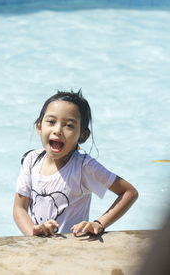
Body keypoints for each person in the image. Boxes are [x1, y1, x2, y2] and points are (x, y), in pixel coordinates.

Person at [13, 90, 138, 236]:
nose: (58, 130)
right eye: (51, 122)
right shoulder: (31, 160)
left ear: (83, 135)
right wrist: (33, 232)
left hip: (71, 251)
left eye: (69, 125)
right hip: (37, 249)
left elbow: (129, 192)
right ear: (39, 127)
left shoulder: (83, 167)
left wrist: (99, 223)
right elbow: (19, 208)